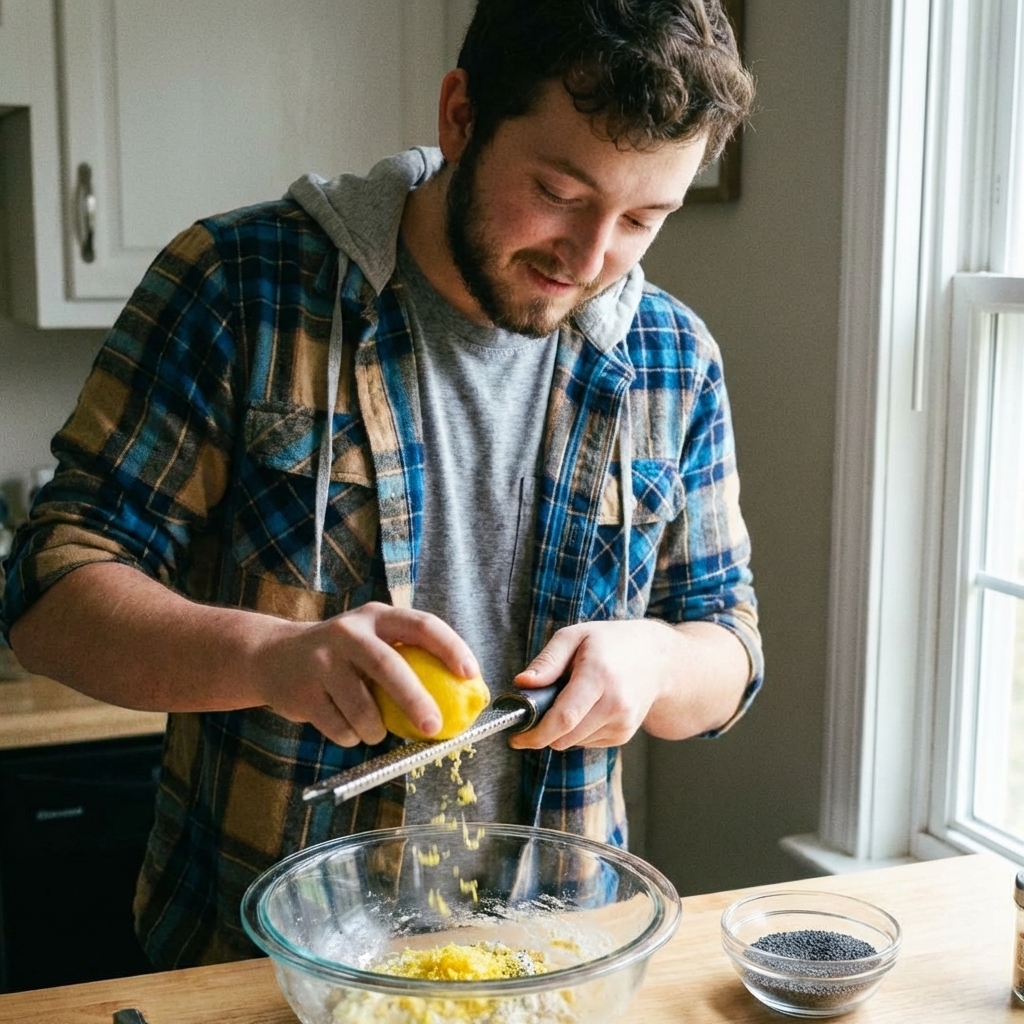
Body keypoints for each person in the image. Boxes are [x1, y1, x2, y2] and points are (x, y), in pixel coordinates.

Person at [1, 0, 761, 969]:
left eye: (643, 220)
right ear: (460, 116)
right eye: (559, 193)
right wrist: (271, 657)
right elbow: (48, 595)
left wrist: (655, 661)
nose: (590, 259)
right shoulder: (239, 288)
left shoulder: (672, 359)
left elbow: (728, 647)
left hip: (546, 966)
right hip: (259, 969)